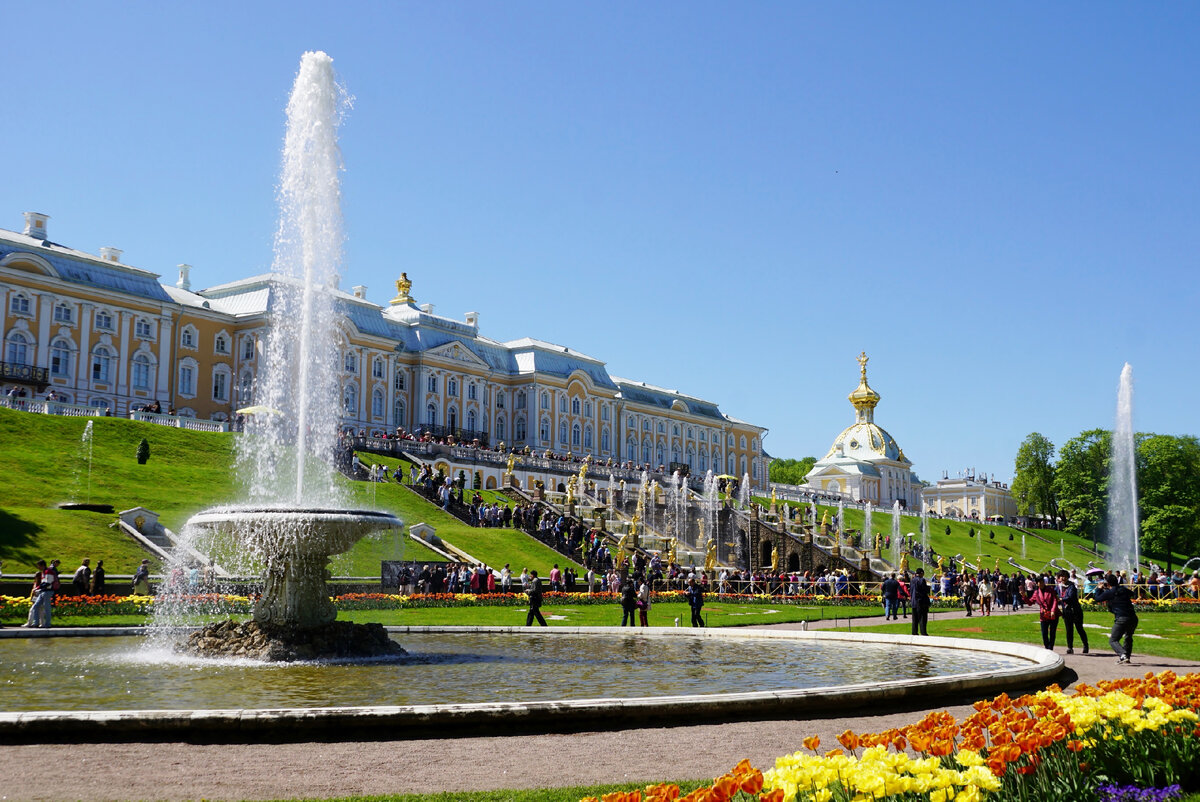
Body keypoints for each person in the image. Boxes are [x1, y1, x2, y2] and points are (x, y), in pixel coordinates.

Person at [1094, 573, 1138, 664]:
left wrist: (1099, 589)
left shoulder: (1110, 592)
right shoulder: (1122, 589)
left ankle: (1123, 654)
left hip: (1122, 618)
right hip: (1133, 617)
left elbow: (1097, 598)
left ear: (1108, 583)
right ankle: (1127, 657)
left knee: (1113, 640)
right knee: (1128, 637)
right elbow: (1132, 593)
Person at [1057, 570, 1088, 654]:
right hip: (1066, 611)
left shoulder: (1071, 586)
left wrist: (1061, 599)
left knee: (1079, 629)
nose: (1063, 578)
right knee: (1069, 630)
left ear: (1067, 577)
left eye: (1064, 576)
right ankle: (1070, 647)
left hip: (1075, 610)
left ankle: (1085, 645)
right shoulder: (1059, 586)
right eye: (1061, 576)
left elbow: (1070, 597)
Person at [25, 559, 59, 628]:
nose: (38, 568)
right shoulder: (44, 571)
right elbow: (44, 583)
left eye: (39, 566)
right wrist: (39, 588)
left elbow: (47, 583)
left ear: (42, 565)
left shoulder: (48, 571)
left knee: (47, 608)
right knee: (36, 606)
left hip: (48, 591)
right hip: (43, 591)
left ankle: (47, 624)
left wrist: (37, 588)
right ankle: (36, 623)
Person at [1031, 576, 1060, 650]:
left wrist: (1053, 610)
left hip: (1053, 614)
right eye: (1040, 582)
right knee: (1044, 633)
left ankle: (1051, 647)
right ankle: (1047, 646)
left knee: (1052, 632)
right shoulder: (1036, 593)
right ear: (1037, 584)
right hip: (1044, 615)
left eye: (1042, 582)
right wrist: (1023, 596)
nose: (1041, 583)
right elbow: (1030, 602)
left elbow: (1055, 600)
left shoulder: (1050, 590)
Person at [910, 567, 931, 636]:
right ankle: (923, 632)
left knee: (915, 618)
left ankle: (914, 631)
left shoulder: (912, 580)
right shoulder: (922, 580)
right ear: (921, 573)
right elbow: (924, 591)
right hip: (921, 601)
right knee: (922, 617)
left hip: (913, 601)